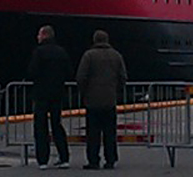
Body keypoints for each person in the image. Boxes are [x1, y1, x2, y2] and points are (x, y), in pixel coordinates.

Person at [76, 30, 127, 170]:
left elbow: (81, 76)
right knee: (110, 133)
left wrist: (84, 92)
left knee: (93, 133)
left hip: (92, 101)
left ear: (94, 40)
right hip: (110, 100)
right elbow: (123, 77)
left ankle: (93, 161)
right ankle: (110, 160)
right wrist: (116, 91)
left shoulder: (89, 56)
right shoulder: (116, 55)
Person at [28, 25, 72, 170]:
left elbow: (33, 71)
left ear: (45, 35)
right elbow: (68, 71)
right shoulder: (61, 52)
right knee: (57, 125)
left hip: (41, 93)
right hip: (57, 93)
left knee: (40, 126)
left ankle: (43, 160)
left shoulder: (39, 52)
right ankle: (64, 157)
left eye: (39, 35)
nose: (37, 37)